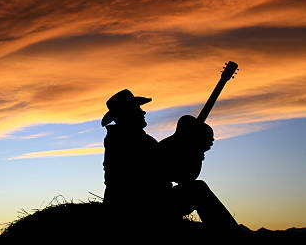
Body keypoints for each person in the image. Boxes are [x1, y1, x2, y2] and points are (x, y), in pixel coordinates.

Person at [101, 89, 240, 233]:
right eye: (137, 109)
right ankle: (231, 234)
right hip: (136, 207)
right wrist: (195, 150)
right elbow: (167, 171)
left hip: (145, 202)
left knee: (197, 188)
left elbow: (167, 165)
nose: (143, 112)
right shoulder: (123, 140)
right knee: (198, 189)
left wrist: (193, 150)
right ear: (126, 114)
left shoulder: (135, 138)